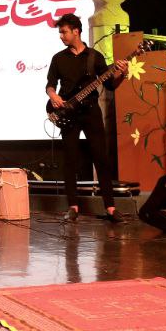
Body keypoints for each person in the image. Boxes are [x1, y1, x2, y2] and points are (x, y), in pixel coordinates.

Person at [45, 12, 129, 224]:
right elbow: (50, 84)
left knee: (101, 158)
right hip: (68, 113)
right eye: (60, 32)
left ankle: (110, 208)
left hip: (91, 112)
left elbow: (110, 85)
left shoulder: (95, 57)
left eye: (64, 32)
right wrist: (53, 96)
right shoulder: (58, 58)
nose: (61, 36)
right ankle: (73, 207)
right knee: (70, 160)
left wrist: (122, 73)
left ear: (76, 31)